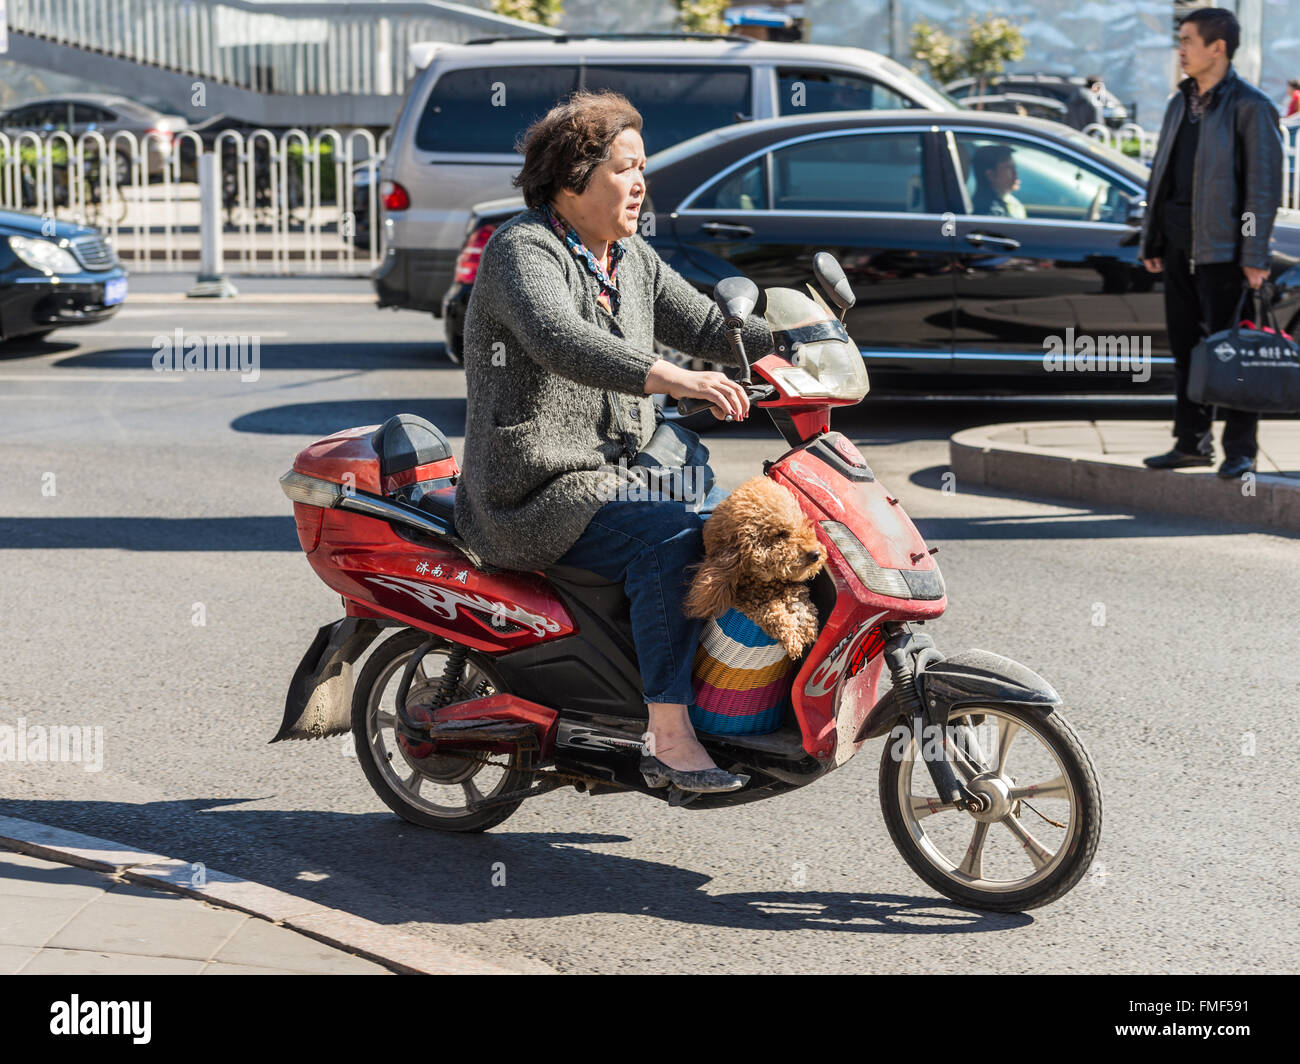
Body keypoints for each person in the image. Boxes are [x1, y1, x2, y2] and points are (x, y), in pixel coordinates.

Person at [453, 91, 774, 794]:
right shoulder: (522, 251)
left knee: (727, 520)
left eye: (642, 168)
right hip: (536, 490)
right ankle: (667, 735)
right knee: (668, 537)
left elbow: (706, 324)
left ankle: (717, 691)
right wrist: (671, 379)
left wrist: (793, 340)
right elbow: (561, 340)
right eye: (625, 169)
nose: (640, 184)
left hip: (619, 474)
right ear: (573, 178)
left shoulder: (627, 257)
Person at [1140, 7, 1283, 478]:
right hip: (1181, 249)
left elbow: (1260, 190)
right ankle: (1190, 443)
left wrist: (1253, 255)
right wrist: (1154, 238)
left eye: (1187, 40)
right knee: (1186, 353)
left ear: (1216, 47)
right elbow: (1163, 176)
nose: (1180, 49)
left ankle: (1240, 450)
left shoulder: (1251, 106)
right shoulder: (1179, 102)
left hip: (1226, 256)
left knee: (1234, 356)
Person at [970, 144, 1027, 218]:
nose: (1015, 173)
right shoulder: (989, 212)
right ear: (991, 175)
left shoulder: (1006, 201)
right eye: (1008, 168)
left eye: (1014, 167)